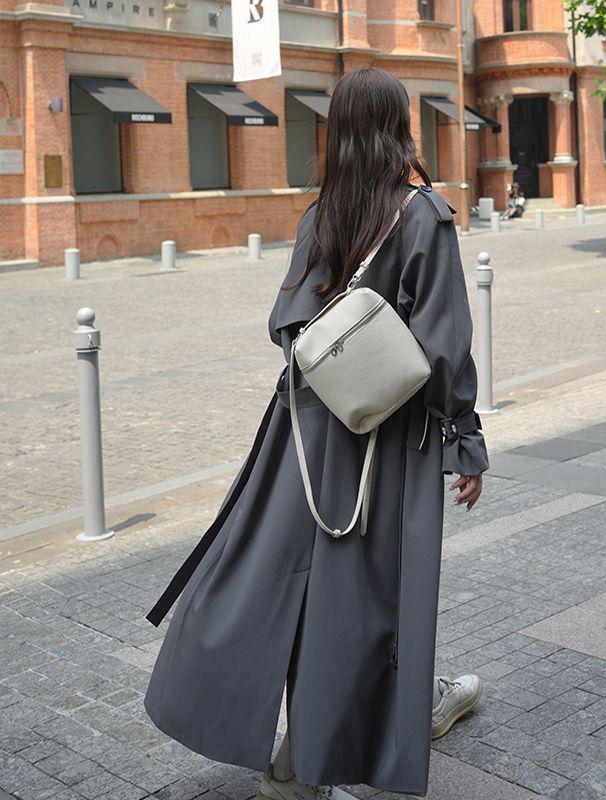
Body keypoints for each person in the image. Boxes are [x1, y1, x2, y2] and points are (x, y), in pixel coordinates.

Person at [142, 67, 489, 800]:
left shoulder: (320, 215)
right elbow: (443, 348)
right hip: (387, 441)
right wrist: (465, 442)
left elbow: (286, 325)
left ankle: (367, 720)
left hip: (299, 435)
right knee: (369, 594)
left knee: (268, 579)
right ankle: (302, 766)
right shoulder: (424, 216)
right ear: (399, 128)